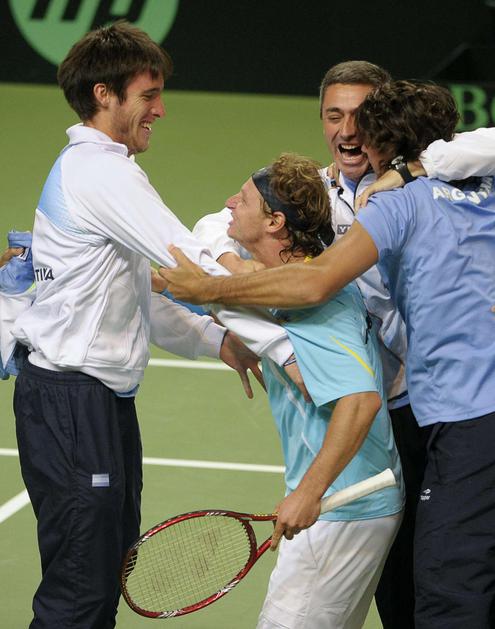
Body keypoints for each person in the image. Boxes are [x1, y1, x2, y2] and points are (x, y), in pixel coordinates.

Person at [162, 80, 495, 629]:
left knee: (445, 592)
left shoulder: (394, 204)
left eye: (363, 124)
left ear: (383, 142)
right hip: (438, 413)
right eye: (334, 115)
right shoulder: (481, 182)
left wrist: (210, 289)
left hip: (457, 414)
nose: (349, 134)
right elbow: (219, 225)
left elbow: (316, 283)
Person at [11, 21, 299, 629]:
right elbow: (190, 266)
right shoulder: (101, 173)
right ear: (104, 95)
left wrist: (218, 341)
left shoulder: (97, 170)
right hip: (72, 401)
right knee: (80, 590)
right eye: (148, 96)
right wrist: (288, 331)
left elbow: (138, 290)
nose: (160, 110)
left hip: (99, 401)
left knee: (104, 572)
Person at [224, 151, 404, 628]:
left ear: (275, 222)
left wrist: (308, 492)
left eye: (243, 200)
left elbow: (360, 400)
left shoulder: (315, 307)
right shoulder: (298, 285)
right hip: (352, 503)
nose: (230, 204)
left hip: (341, 507)